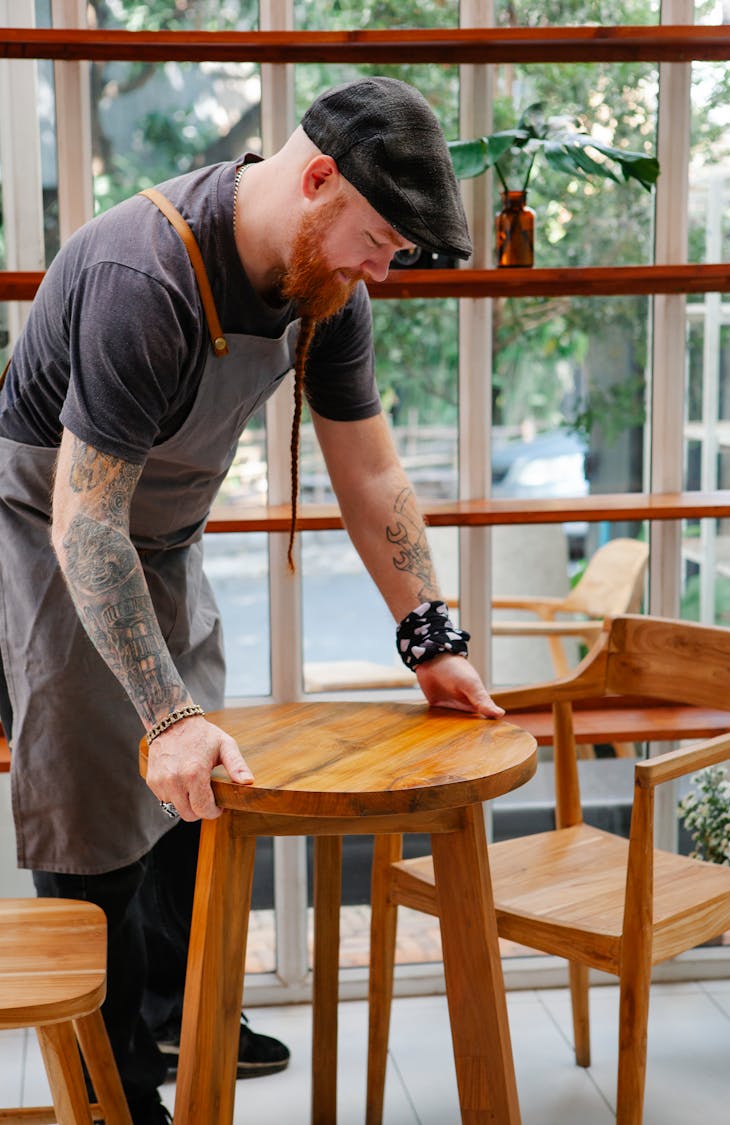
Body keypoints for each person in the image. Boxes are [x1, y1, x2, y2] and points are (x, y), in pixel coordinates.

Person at [0, 76, 502, 1124]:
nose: (383, 268)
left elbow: (371, 478)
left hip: (164, 539)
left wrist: (433, 639)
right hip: (51, 542)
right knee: (99, 801)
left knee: (205, 785)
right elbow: (85, 524)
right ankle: (116, 1085)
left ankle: (191, 1009)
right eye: (378, 240)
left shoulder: (328, 291)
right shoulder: (150, 273)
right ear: (318, 178)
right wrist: (164, 713)